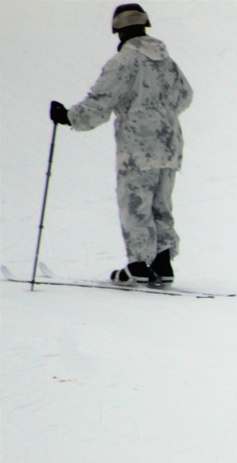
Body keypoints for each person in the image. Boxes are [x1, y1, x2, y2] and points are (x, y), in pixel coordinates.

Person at [50, 3, 193, 284]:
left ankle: (138, 266)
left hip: (138, 144)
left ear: (117, 28)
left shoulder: (124, 62)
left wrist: (68, 117)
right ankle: (163, 263)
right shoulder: (167, 61)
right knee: (161, 203)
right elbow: (186, 95)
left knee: (135, 202)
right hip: (170, 143)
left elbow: (101, 101)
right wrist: (161, 113)